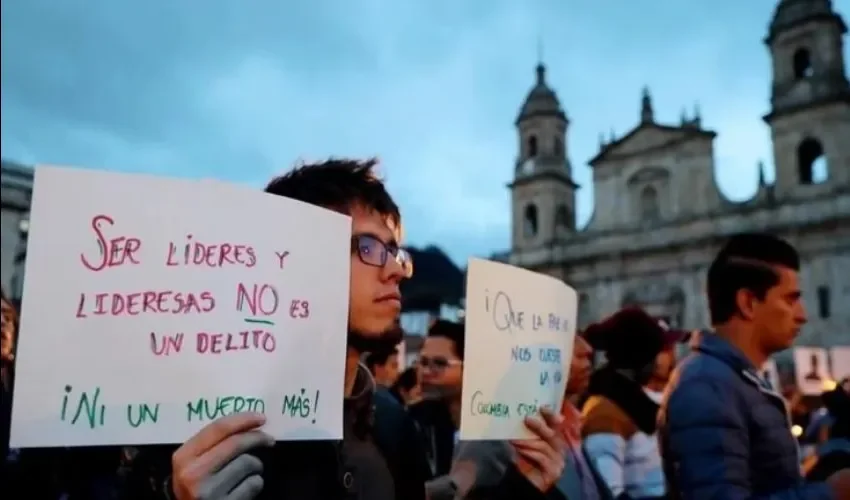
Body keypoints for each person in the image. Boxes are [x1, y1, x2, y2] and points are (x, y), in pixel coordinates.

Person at [136, 159, 566, 500]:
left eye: (396, 252)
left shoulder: (394, 422)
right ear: (289, 258)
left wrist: (522, 485)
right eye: (368, 247)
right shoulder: (208, 439)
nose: (396, 271)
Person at [658, 232, 850, 499]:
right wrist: (831, 493)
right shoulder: (707, 388)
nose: (803, 315)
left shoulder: (735, 380)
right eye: (790, 299)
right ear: (748, 302)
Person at [449, 334, 612, 500]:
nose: (586, 348)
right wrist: (528, 488)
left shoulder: (572, 423)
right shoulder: (489, 439)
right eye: (568, 338)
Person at [581, 308, 686, 499]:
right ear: (640, 359)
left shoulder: (638, 405)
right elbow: (608, 492)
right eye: (654, 354)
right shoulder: (604, 414)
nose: (657, 362)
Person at [408, 319, 466, 485]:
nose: (426, 371)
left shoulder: (492, 427)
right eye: (423, 362)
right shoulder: (413, 420)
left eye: (439, 363)